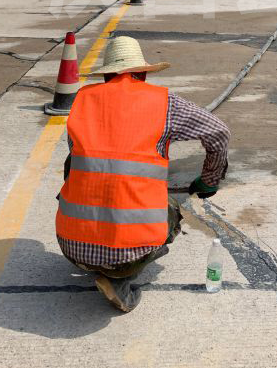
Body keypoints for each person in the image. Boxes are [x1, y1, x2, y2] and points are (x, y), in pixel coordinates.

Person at [55, 35, 230, 313]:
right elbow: (219, 133)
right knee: (171, 210)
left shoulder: (82, 101)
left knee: (75, 168)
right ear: (144, 73)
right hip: (128, 256)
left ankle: (97, 259)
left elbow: (76, 160)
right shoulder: (165, 104)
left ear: (106, 76)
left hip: (70, 249)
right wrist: (209, 180)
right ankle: (121, 278)